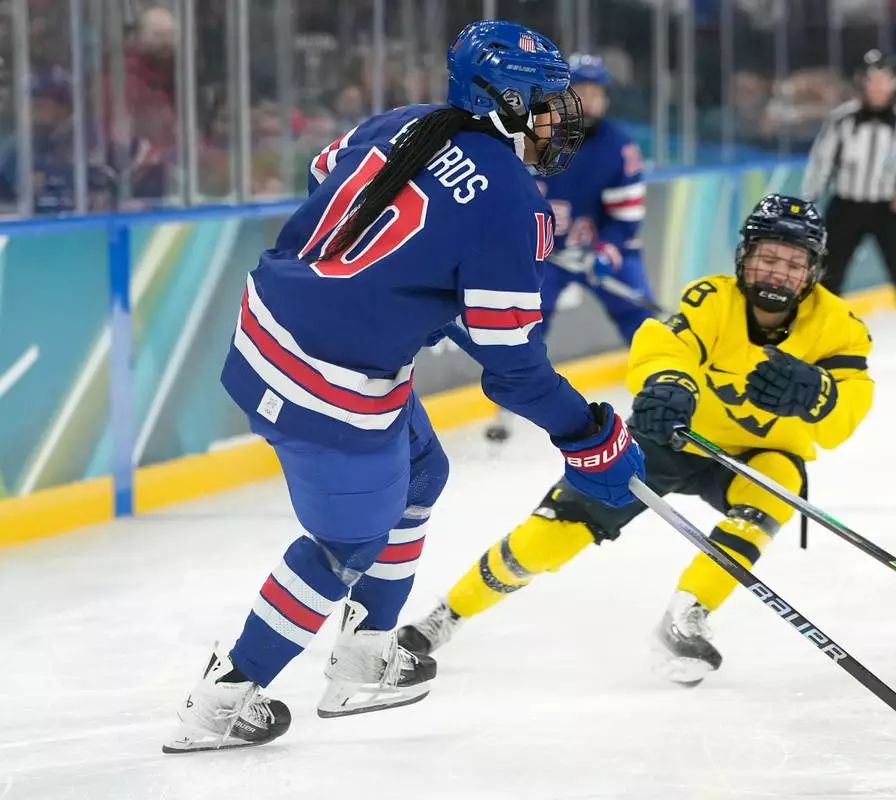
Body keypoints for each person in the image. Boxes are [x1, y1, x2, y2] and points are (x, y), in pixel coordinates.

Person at [163, 20, 645, 754]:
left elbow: (331, 176)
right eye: (547, 101)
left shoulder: (406, 122)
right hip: (330, 383)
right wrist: (590, 436)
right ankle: (224, 698)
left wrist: (417, 286)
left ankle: (365, 654)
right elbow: (512, 370)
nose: (560, 116)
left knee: (425, 471)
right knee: (343, 547)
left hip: (269, 320)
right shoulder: (514, 202)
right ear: (507, 102)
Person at [398, 195, 874, 686]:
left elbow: (849, 410)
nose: (779, 273)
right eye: (768, 258)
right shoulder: (712, 298)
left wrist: (821, 396)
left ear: (813, 271)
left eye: (794, 264)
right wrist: (670, 384)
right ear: (744, 258)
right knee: (556, 531)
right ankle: (447, 615)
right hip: (673, 436)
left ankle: (686, 615)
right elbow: (667, 346)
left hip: (756, 455)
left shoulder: (840, 328)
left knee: (779, 479)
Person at [485, 52, 655, 442]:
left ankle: (661, 394)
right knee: (524, 322)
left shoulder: (619, 149)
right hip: (547, 255)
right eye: (579, 90)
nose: (589, 100)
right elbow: (505, 202)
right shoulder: (527, 138)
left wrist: (605, 254)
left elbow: (626, 221)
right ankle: (507, 405)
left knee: (640, 318)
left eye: (597, 92)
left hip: (602, 249)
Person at [801, 50, 896, 360]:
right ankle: (820, 337)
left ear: (894, 84)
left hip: (889, 210)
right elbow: (820, 162)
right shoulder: (843, 119)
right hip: (846, 205)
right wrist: (809, 201)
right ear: (863, 83)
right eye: (872, 81)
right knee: (829, 275)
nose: (877, 87)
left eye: (884, 81)